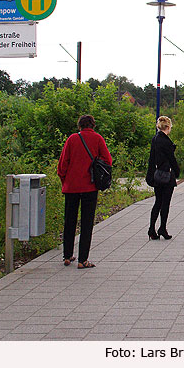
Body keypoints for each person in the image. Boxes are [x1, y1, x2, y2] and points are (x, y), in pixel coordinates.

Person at [57, 114, 112, 268]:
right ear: (93, 125)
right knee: (87, 223)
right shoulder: (98, 139)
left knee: (69, 221)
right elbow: (108, 160)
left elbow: (62, 165)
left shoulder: (72, 139)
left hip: (71, 187)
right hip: (90, 186)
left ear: (79, 126)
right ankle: (83, 260)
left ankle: (67, 256)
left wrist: (65, 180)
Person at [145, 115, 180, 240]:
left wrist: (150, 175)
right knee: (165, 204)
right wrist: (177, 171)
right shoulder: (166, 141)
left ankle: (151, 229)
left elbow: (152, 158)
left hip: (157, 176)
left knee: (157, 202)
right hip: (166, 176)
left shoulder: (155, 139)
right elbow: (171, 159)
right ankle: (162, 228)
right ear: (168, 127)